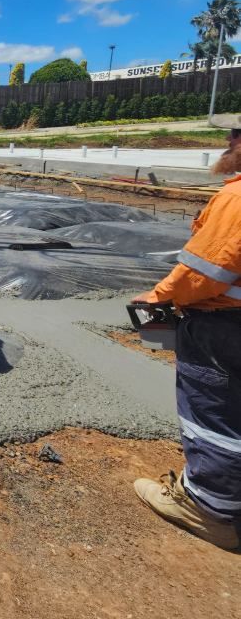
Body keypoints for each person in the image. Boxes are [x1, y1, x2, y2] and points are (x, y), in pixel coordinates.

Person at [128, 113, 241, 550]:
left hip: (225, 325)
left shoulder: (234, 199)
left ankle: (207, 507)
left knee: (215, 410)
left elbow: (205, 271)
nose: (228, 141)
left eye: (235, 135)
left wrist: (159, 298)